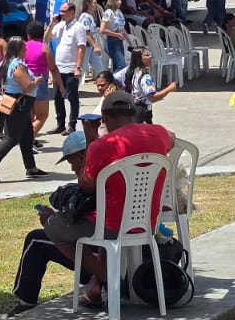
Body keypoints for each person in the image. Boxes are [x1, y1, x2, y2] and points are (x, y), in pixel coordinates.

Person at [57, 91, 173, 306]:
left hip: (112, 225)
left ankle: (110, 280)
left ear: (104, 118)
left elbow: (86, 186)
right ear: (134, 113)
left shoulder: (102, 145)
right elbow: (172, 139)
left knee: (54, 225)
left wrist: (91, 139)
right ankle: (100, 281)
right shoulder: (159, 133)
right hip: (148, 222)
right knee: (102, 212)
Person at [12, 131, 93, 311]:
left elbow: (81, 228)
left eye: (72, 162)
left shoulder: (90, 182)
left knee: (35, 240)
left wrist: (52, 222)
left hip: (94, 256)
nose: (72, 168)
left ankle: (25, 304)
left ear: (81, 156)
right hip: (112, 250)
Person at [0, 36, 44, 182]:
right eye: (24, 47)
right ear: (18, 49)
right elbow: (27, 86)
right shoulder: (17, 65)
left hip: (15, 102)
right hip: (19, 104)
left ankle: (31, 167)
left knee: (27, 135)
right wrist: (37, 81)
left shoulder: (5, 63)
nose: (26, 50)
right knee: (11, 138)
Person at [49, 2, 87, 135]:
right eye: (61, 11)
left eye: (64, 11)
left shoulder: (78, 27)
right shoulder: (60, 26)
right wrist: (51, 24)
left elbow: (82, 47)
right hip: (59, 68)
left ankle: (72, 125)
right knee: (57, 97)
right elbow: (47, 38)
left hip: (71, 68)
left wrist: (78, 67)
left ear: (72, 12)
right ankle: (60, 124)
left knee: (72, 97)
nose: (61, 14)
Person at [115, 47, 174, 124]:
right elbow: (152, 97)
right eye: (147, 55)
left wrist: (120, 88)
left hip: (129, 109)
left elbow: (114, 77)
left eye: (150, 55)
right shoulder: (144, 77)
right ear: (139, 58)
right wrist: (169, 89)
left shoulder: (128, 70)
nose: (150, 57)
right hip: (141, 113)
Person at [24, 20, 53, 141]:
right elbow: (53, 68)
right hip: (40, 83)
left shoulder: (22, 47)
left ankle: (30, 139)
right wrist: (61, 86)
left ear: (28, 35)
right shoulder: (44, 48)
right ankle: (28, 138)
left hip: (24, 82)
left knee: (29, 115)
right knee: (42, 115)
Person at [100, 0, 129, 70]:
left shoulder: (119, 12)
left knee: (117, 67)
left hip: (120, 41)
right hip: (112, 41)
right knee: (121, 65)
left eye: (120, 0)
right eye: (117, 0)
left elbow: (122, 29)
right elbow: (102, 29)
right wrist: (117, 35)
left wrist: (130, 42)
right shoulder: (108, 12)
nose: (119, 2)